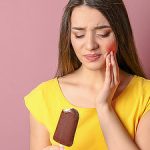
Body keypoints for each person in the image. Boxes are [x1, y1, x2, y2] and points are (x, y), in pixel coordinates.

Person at [24, 0, 150, 150]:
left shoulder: (145, 96)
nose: (90, 45)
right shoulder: (43, 97)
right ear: (69, 37)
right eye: (79, 35)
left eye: (103, 34)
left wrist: (104, 107)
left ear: (120, 34)